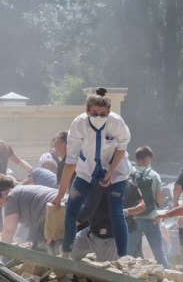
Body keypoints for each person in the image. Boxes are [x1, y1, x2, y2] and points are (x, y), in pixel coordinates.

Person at [53, 88, 132, 258]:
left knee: (115, 211)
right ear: (87, 111)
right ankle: (65, 252)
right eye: (94, 113)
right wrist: (60, 194)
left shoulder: (116, 123)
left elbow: (121, 148)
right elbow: (70, 162)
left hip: (116, 171)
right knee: (72, 208)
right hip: (87, 172)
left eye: (103, 114)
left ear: (109, 113)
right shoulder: (78, 124)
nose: (98, 117)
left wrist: (111, 172)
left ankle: (124, 257)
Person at [73, 182, 144, 262]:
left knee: (108, 268)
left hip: (109, 237)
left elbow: (142, 205)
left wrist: (127, 211)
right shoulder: (91, 183)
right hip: (92, 231)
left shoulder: (127, 185)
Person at [127, 146, 168, 268]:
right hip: (152, 218)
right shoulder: (154, 175)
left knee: (128, 252)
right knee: (159, 253)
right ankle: (166, 278)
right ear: (148, 158)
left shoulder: (130, 174)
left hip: (133, 218)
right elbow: (159, 200)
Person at [0, 179, 57, 249]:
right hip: (65, 207)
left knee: (40, 251)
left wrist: (2, 252)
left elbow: (9, 230)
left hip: (55, 210)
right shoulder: (20, 192)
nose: (4, 207)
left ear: (3, 194)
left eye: (1, 203)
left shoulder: (11, 196)